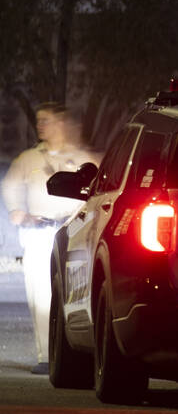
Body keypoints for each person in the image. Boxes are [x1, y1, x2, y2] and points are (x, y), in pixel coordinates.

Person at [1, 103, 98, 375]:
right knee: (40, 294)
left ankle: (80, 353)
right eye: (38, 121)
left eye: (46, 120)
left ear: (61, 123)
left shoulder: (79, 157)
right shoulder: (29, 159)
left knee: (75, 293)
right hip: (38, 233)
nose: (41, 125)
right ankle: (46, 354)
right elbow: (10, 185)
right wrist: (17, 210)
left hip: (71, 233)